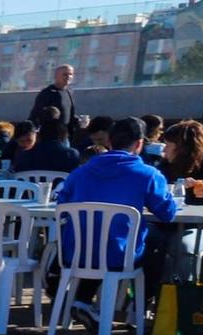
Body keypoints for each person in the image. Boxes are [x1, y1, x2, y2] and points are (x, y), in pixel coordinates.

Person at [56, 115, 178, 313]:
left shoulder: (79, 172)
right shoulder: (148, 174)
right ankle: (141, 305)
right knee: (156, 240)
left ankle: (83, 301)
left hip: (76, 251)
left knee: (97, 236)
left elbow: (62, 206)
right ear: (139, 144)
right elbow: (167, 214)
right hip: (118, 254)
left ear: (109, 142)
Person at [13, 112, 81, 173]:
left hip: (32, 186)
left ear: (39, 135)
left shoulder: (25, 155)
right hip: (62, 186)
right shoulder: (71, 154)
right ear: (64, 135)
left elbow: (18, 174)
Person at [27, 64, 76, 139]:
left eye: (71, 74)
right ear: (56, 76)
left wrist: (79, 121)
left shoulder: (68, 93)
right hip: (50, 136)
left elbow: (69, 115)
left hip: (66, 136)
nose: (69, 77)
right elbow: (35, 114)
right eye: (65, 74)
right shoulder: (47, 93)